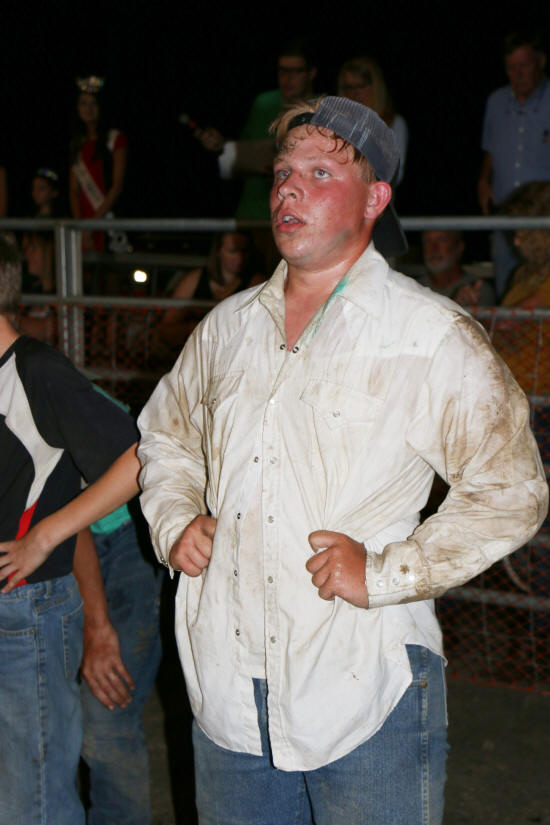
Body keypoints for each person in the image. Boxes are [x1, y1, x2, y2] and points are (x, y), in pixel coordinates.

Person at [137, 96, 548, 825]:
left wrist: (389, 571)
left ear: (375, 198)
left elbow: (512, 489)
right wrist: (174, 516)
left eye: (320, 173)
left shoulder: (427, 333)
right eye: (283, 173)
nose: (288, 189)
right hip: (227, 686)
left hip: (363, 683)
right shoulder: (227, 328)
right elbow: (166, 437)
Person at [0, 234, 140, 825]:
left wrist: (45, 535)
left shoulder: (37, 370)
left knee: (34, 800)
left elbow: (138, 458)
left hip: (27, 610)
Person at [477, 31, 550, 297]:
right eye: (511, 67)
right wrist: (483, 181)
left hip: (544, 223)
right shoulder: (495, 102)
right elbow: (490, 150)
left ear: (541, 61)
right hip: (506, 217)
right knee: (507, 290)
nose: (518, 74)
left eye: (524, 65)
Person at [69, 76, 128, 253]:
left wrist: (93, 225)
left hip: (108, 222)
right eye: (83, 103)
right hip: (85, 225)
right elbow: (74, 191)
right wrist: (82, 228)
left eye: (93, 104)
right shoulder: (77, 144)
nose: (88, 109)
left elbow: (117, 186)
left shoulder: (115, 138)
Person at [338, 56, 408, 185]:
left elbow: (396, 174)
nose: (353, 93)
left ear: (375, 88)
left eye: (360, 86)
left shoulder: (394, 122)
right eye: (348, 87)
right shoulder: (336, 120)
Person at [421, 229, 496, 306]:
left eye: (442, 239)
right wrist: (456, 304)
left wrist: (469, 307)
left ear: (460, 247)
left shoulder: (479, 290)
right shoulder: (415, 288)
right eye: (427, 241)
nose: (433, 248)